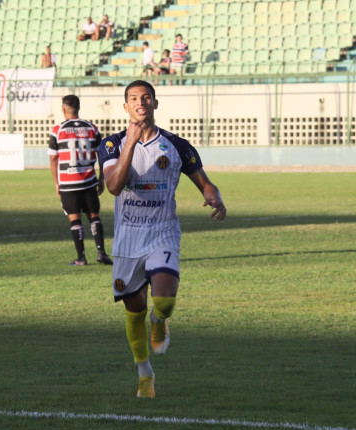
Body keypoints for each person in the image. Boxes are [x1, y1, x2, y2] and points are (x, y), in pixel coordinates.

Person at [98, 80, 226, 398]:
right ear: (125, 107)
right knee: (133, 308)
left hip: (162, 233)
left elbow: (205, 183)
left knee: (164, 300)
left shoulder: (177, 145)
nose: (140, 102)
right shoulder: (112, 145)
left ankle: (161, 319)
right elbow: (113, 186)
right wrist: (130, 143)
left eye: (146, 97)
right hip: (128, 240)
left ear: (156, 103)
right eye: (133, 99)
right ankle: (145, 375)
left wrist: (214, 195)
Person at [48, 95, 113, 267]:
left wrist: (56, 182)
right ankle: (101, 253)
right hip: (89, 180)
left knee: (74, 219)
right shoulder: (92, 128)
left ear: (63, 110)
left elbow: (54, 159)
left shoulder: (58, 130)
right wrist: (101, 178)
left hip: (68, 183)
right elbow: (102, 154)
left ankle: (81, 258)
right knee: (94, 216)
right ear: (79, 108)